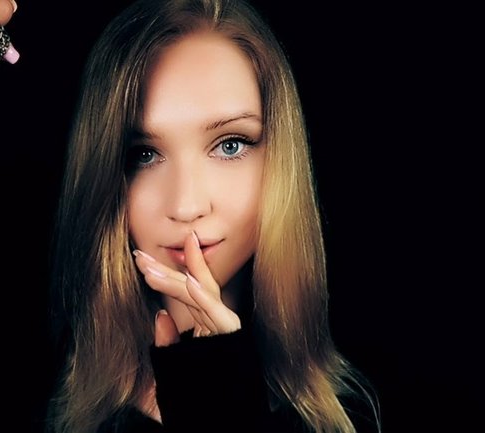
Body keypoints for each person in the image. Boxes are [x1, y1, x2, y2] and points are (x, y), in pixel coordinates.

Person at [48, 0, 380, 432]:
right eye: (144, 154)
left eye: (230, 145)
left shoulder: (352, 411)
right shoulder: (37, 397)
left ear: (280, 157)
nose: (187, 206)